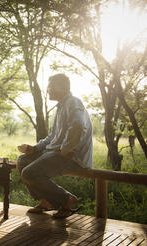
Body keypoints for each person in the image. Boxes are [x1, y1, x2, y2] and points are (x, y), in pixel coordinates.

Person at [16, 73, 93, 219]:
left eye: (49, 87)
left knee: (28, 173)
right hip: (54, 153)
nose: (47, 90)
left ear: (59, 87)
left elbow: (78, 125)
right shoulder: (61, 106)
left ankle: (66, 199)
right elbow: (52, 137)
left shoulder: (73, 102)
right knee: (22, 160)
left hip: (71, 158)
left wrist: (66, 148)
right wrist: (35, 148)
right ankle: (47, 201)